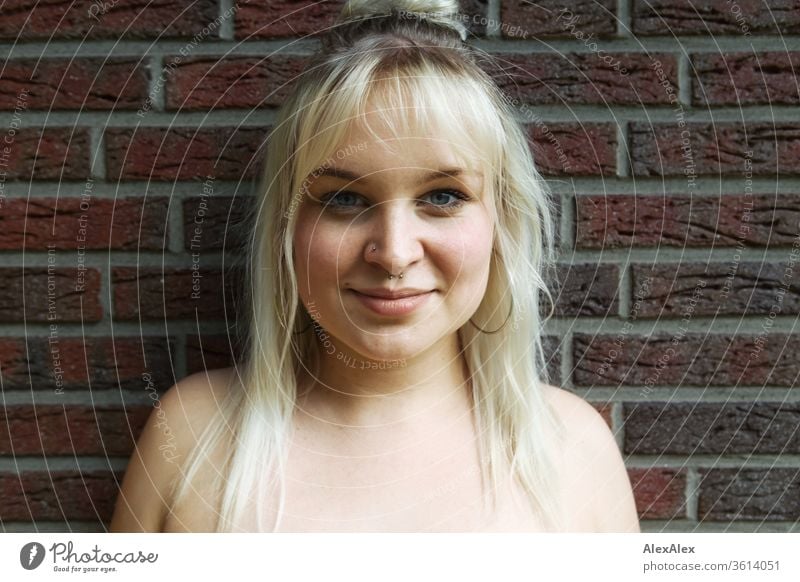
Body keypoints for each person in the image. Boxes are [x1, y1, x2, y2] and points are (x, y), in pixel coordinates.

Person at [110, 0, 640, 533]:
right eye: (343, 198)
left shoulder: (575, 452)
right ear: (286, 226)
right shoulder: (190, 436)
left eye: (443, 196)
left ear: (502, 221)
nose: (393, 253)